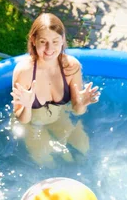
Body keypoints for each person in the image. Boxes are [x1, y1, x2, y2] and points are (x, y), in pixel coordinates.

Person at [11, 13, 101, 166]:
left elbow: (77, 110)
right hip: (31, 124)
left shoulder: (71, 67)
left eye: (55, 41)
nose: (49, 49)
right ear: (33, 40)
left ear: (63, 40)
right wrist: (26, 105)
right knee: (47, 162)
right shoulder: (24, 71)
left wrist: (82, 103)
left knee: (83, 148)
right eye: (43, 42)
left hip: (59, 118)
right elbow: (22, 118)